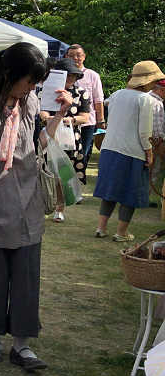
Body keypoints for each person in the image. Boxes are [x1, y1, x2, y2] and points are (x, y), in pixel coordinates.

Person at [0, 43, 73, 372]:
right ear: (10, 75)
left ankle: (22, 344)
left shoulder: (30, 102)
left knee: (25, 275)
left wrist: (60, 114)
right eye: (30, 81)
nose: (33, 88)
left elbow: (39, 143)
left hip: (26, 201)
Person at [93, 60, 164, 241]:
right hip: (132, 152)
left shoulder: (117, 94)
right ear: (148, 81)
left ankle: (101, 228)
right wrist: (149, 153)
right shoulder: (146, 100)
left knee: (110, 191)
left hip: (110, 149)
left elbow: (109, 108)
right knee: (129, 194)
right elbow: (144, 132)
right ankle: (121, 232)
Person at [39, 58, 91, 222]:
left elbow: (85, 117)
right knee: (46, 172)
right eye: (67, 76)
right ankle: (45, 204)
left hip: (70, 139)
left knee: (63, 175)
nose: (70, 80)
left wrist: (71, 120)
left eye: (73, 76)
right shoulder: (45, 91)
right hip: (48, 137)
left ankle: (60, 208)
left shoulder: (81, 93)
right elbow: (41, 112)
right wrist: (49, 118)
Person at [66, 44, 104, 176]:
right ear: (66, 57)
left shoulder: (92, 75)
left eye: (78, 55)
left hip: (87, 122)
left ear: (84, 57)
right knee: (67, 152)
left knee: (84, 152)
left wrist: (101, 120)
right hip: (65, 122)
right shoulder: (61, 74)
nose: (75, 58)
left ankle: (78, 179)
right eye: (71, 55)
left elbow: (98, 100)